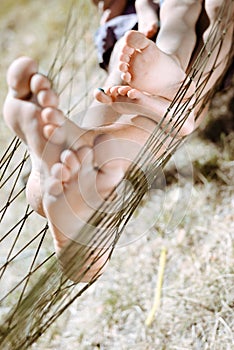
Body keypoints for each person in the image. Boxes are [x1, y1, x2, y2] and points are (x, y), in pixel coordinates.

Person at [3, 0, 233, 283]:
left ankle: (73, 150)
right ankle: (177, 96)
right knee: (194, 29)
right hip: (157, 30)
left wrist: (147, 14)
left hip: (133, 26)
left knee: (121, 74)